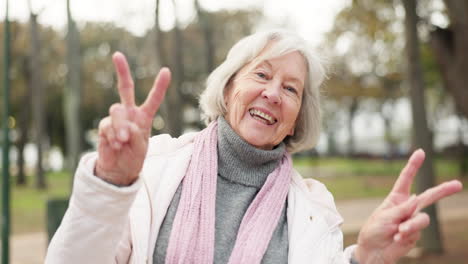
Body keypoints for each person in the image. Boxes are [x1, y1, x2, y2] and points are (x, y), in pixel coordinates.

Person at [45, 30, 462, 264]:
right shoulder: (153, 168)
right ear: (228, 88)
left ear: (298, 115)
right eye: (261, 75)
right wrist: (112, 184)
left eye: (291, 89)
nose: (273, 94)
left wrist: (363, 260)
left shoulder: (314, 208)